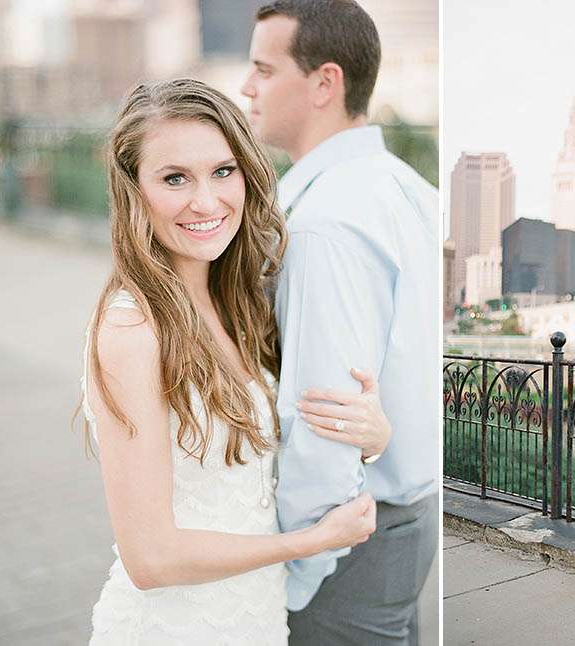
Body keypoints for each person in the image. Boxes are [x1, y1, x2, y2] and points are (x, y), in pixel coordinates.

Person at [81, 78, 393, 644]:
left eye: (223, 171)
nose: (206, 201)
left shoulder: (239, 298)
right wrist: (311, 541)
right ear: (134, 191)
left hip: (255, 620)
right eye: (175, 178)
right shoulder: (132, 328)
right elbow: (150, 558)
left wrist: (372, 434)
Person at [241, 1, 440, 643]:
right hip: (406, 518)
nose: (248, 87)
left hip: (346, 551)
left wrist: (295, 574)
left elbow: (323, 421)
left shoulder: (323, 223)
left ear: (325, 82)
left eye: (264, 70)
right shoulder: (405, 188)